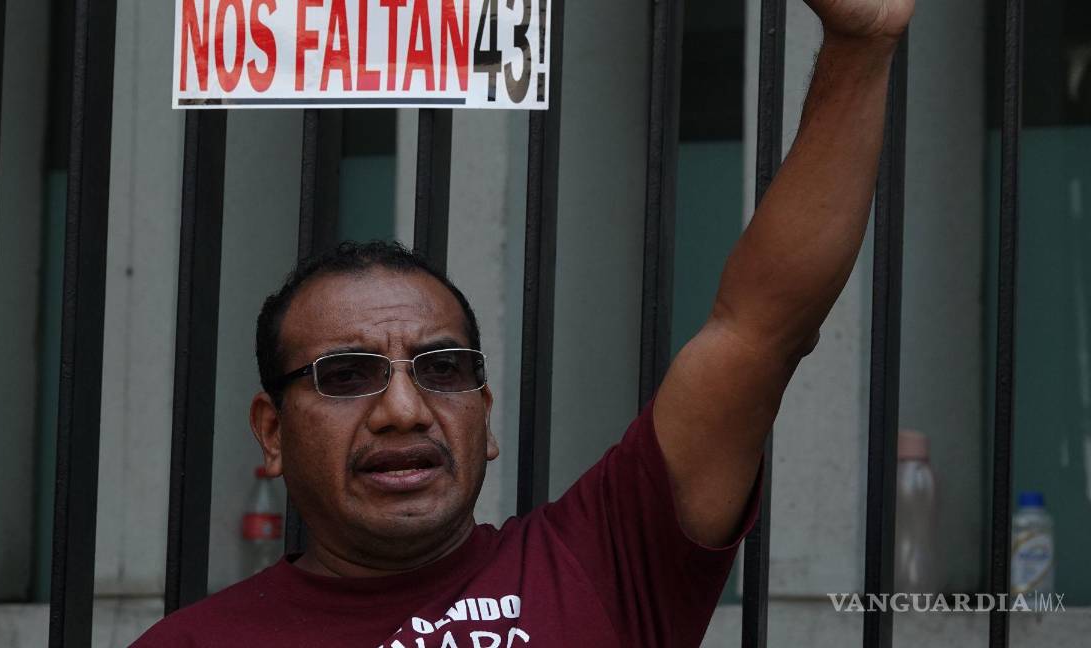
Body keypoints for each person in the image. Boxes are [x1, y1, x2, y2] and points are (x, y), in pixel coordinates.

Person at [133, 0, 915, 645]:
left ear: (487, 413)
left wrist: (861, 46)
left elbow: (761, 329)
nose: (403, 411)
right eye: (347, 374)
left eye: (442, 369)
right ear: (271, 431)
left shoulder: (599, 564)